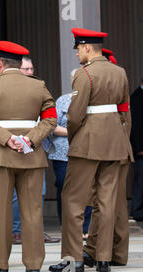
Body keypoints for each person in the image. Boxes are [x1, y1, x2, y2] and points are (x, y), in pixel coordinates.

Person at [49, 28, 132, 272]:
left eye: (78, 49)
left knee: (73, 200)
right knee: (107, 202)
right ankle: (103, 259)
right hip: (114, 142)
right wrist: (121, 139)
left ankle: (73, 258)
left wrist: (75, 137)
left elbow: (75, 115)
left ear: (86, 47)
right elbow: (124, 110)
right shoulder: (120, 72)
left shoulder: (85, 74)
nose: (77, 54)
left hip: (87, 144)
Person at [0, 41, 57, 272]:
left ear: (0, 63)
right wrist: (30, 139)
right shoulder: (38, 86)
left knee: (0, 212)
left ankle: (0, 265)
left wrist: (6, 138)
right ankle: (33, 265)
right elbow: (51, 119)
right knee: (32, 212)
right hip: (31, 155)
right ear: (21, 64)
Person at [83, 49, 132, 267]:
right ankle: (118, 253)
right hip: (120, 148)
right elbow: (125, 119)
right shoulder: (119, 84)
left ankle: (95, 251)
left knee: (100, 202)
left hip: (105, 149)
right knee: (116, 205)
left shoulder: (95, 83)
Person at [12, 56, 60, 245]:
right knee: (16, 195)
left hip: (36, 145)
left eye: (31, 68)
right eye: (26, 69)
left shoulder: (39, 88)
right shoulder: (12, 90)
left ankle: (36, 231)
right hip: (13, 144)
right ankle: (16, 232)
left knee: (39, 191)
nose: (30, 72)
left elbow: (49, 116)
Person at [49, 68, 93, 240]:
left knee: (87, 189)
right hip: (62, 154)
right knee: (64, 189)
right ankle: (65, 225)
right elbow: (52, 125)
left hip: (86, 151)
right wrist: (72, 131)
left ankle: (85, 227)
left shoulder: (92, 101)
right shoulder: (62, 100)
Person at [129, 75, 143, 222]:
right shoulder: (137, 97)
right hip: (141, 149)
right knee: (140, 181)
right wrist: (139, 147)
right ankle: (138, 211)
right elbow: (136, 126)